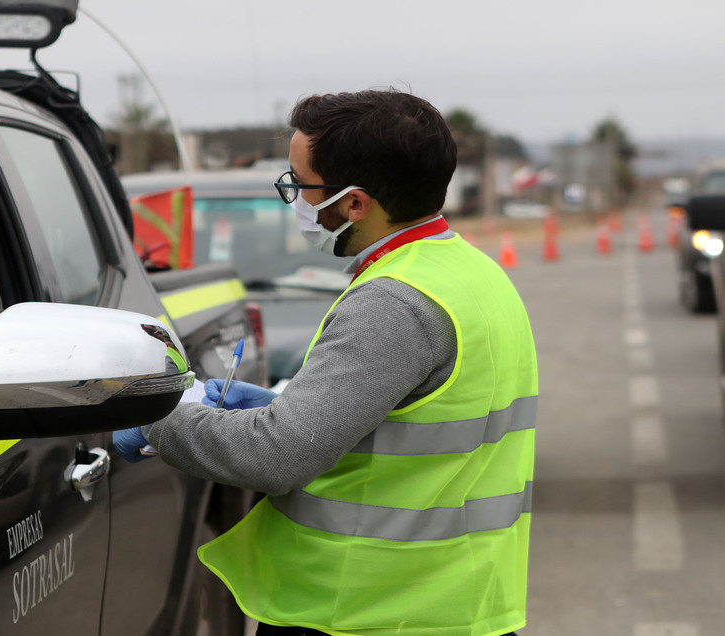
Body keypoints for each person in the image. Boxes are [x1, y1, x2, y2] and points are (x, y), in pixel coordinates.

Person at [114, 89, 537, 636]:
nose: (294, 201)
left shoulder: (393, 302)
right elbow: (423, 423)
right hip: (452, 605)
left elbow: (279, 456)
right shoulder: (470, 273)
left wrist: (159, 419)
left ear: (356, 203)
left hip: (363, 612)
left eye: (299, 185)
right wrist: (285, 408)